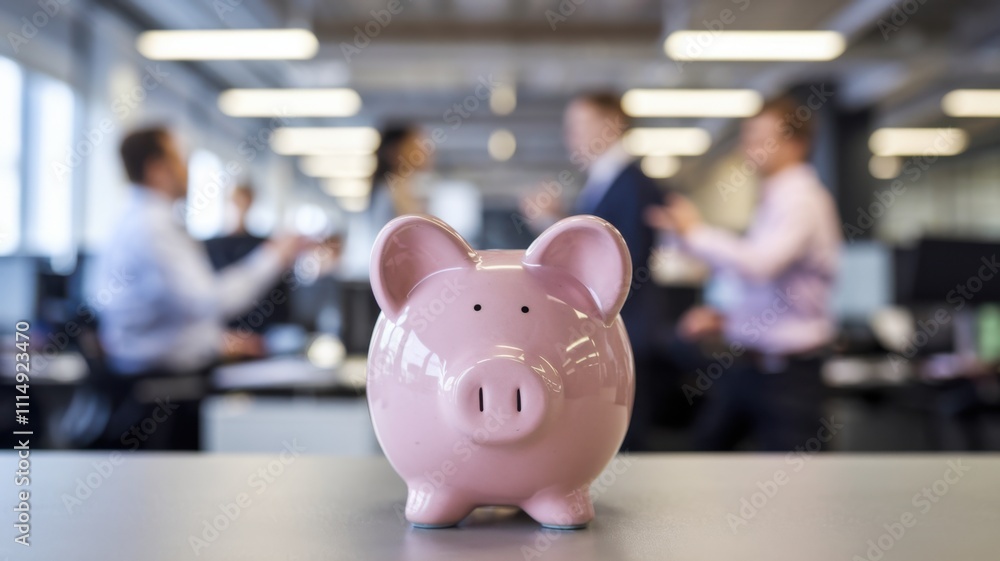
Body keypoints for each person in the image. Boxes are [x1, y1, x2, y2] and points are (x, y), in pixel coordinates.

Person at [645, 95, 842, 452]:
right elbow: (766, 288)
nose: (749, 145)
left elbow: (761, 265)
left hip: (789, 377)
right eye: (748, 135)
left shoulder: (802, 198)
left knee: (800, 486)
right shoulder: (774, 197)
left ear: (797, 144)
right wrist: (726, 318)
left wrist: (695, 232)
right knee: (705, 454)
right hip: (753, 366)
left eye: (761, 136)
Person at [97, 127, 311, 376]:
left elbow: (174, 316)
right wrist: (275, 256)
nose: (186, 170)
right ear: (156, 169)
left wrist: (217, 340)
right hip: (161, 382)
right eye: (180, 159)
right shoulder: (154, 227)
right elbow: (212, 302)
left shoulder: (134, 220)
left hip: (151, 372)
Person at [522, 91, 664, 451]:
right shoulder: (603, 182)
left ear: (612, 124)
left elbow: (619, 262)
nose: (572, 136)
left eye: (581, 125)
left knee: (626, 442)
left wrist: (554, 223)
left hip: (627, 325)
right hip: (613, 325)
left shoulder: (630, 183)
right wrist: (556, 221)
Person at [204, 184, 293, 332]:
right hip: (221, 333)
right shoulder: (210, 246)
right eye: (237, 199)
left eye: (245, 199)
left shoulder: (266, 247)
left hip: (260, 332)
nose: (241, 205)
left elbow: (277, 299)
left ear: (252, 201)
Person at [369, 125, 429, 232]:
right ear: (393, 151)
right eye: (414, 145)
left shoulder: (412, 190)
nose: (425, 151)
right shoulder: (387, 192)